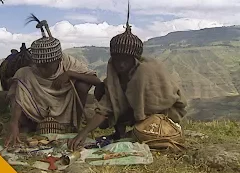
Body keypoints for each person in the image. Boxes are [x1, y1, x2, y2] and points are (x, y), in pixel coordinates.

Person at [68, 6, 187, 151]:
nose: (121, 64)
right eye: (117, 59)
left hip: (164, 113)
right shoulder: (115, 72)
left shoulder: (145, 71)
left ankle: (141, 133)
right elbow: (107, 106)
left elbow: (153, 103)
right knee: (102, 89)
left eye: (125, 60)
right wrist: (83, 133)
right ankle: (122, 133)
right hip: (137, 111)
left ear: (134, 59)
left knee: (147, 134)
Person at [5, 15, 101, 147]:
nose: (42, 70)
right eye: (39, 65)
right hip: (39, 110)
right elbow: (20, 99)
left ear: (57, 60)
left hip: (65, 103)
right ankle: (32, 125)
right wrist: (14, 123)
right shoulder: (27, 72)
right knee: (19, 81)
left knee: (83, 85)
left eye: (47, 66)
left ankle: (73, 126)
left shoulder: (66, 62)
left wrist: (70, 74)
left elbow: (96, 81)